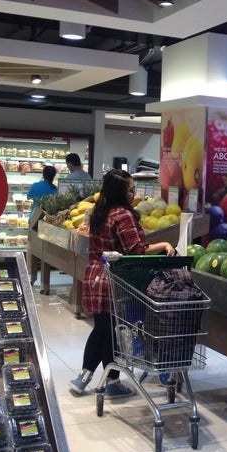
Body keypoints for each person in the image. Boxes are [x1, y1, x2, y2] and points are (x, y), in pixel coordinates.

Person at [69, 169, 175, 398]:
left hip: (96, 275)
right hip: (113, 278)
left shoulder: (99, 212)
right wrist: (164, 244)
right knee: (109, 331)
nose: (133, 193)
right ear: (119, 191)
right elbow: (135, 250)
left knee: (105, 329)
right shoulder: (123, 215)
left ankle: (101, 379)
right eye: (130, 189)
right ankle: (93, 379)